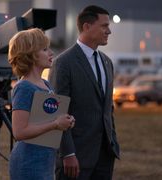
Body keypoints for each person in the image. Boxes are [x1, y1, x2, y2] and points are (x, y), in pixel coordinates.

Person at [49, 5, 120, 180]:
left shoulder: (107, 62)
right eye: (104, 26)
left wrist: (113, 143)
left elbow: (107, 109)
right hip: (76, 158)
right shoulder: (63, 63)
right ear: (87, 27)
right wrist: (67, 153)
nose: (109, 31)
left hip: (105, 156)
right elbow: (57, 112)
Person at [8, 28, 75, 180]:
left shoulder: (46, 84)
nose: (51, 52)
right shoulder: (23, 87)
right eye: (44, 49)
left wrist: (66, 120)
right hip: (29, 162)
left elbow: (47, 119)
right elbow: (19, 132)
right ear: (30, 55)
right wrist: (55, 124)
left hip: (45, 161)